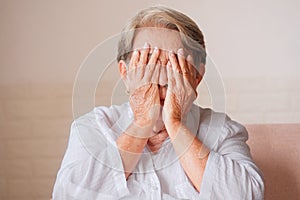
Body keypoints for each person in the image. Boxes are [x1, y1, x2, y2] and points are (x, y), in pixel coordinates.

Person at [52, 6, 264, 200]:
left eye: (173, 65)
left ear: (196, 76)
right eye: (147, 63)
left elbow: (248, 196)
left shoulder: (222, 130)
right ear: (125, 73)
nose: (160, 79)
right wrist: (143, 121)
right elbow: (67, 195)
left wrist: (175, 124)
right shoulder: (94, 127)